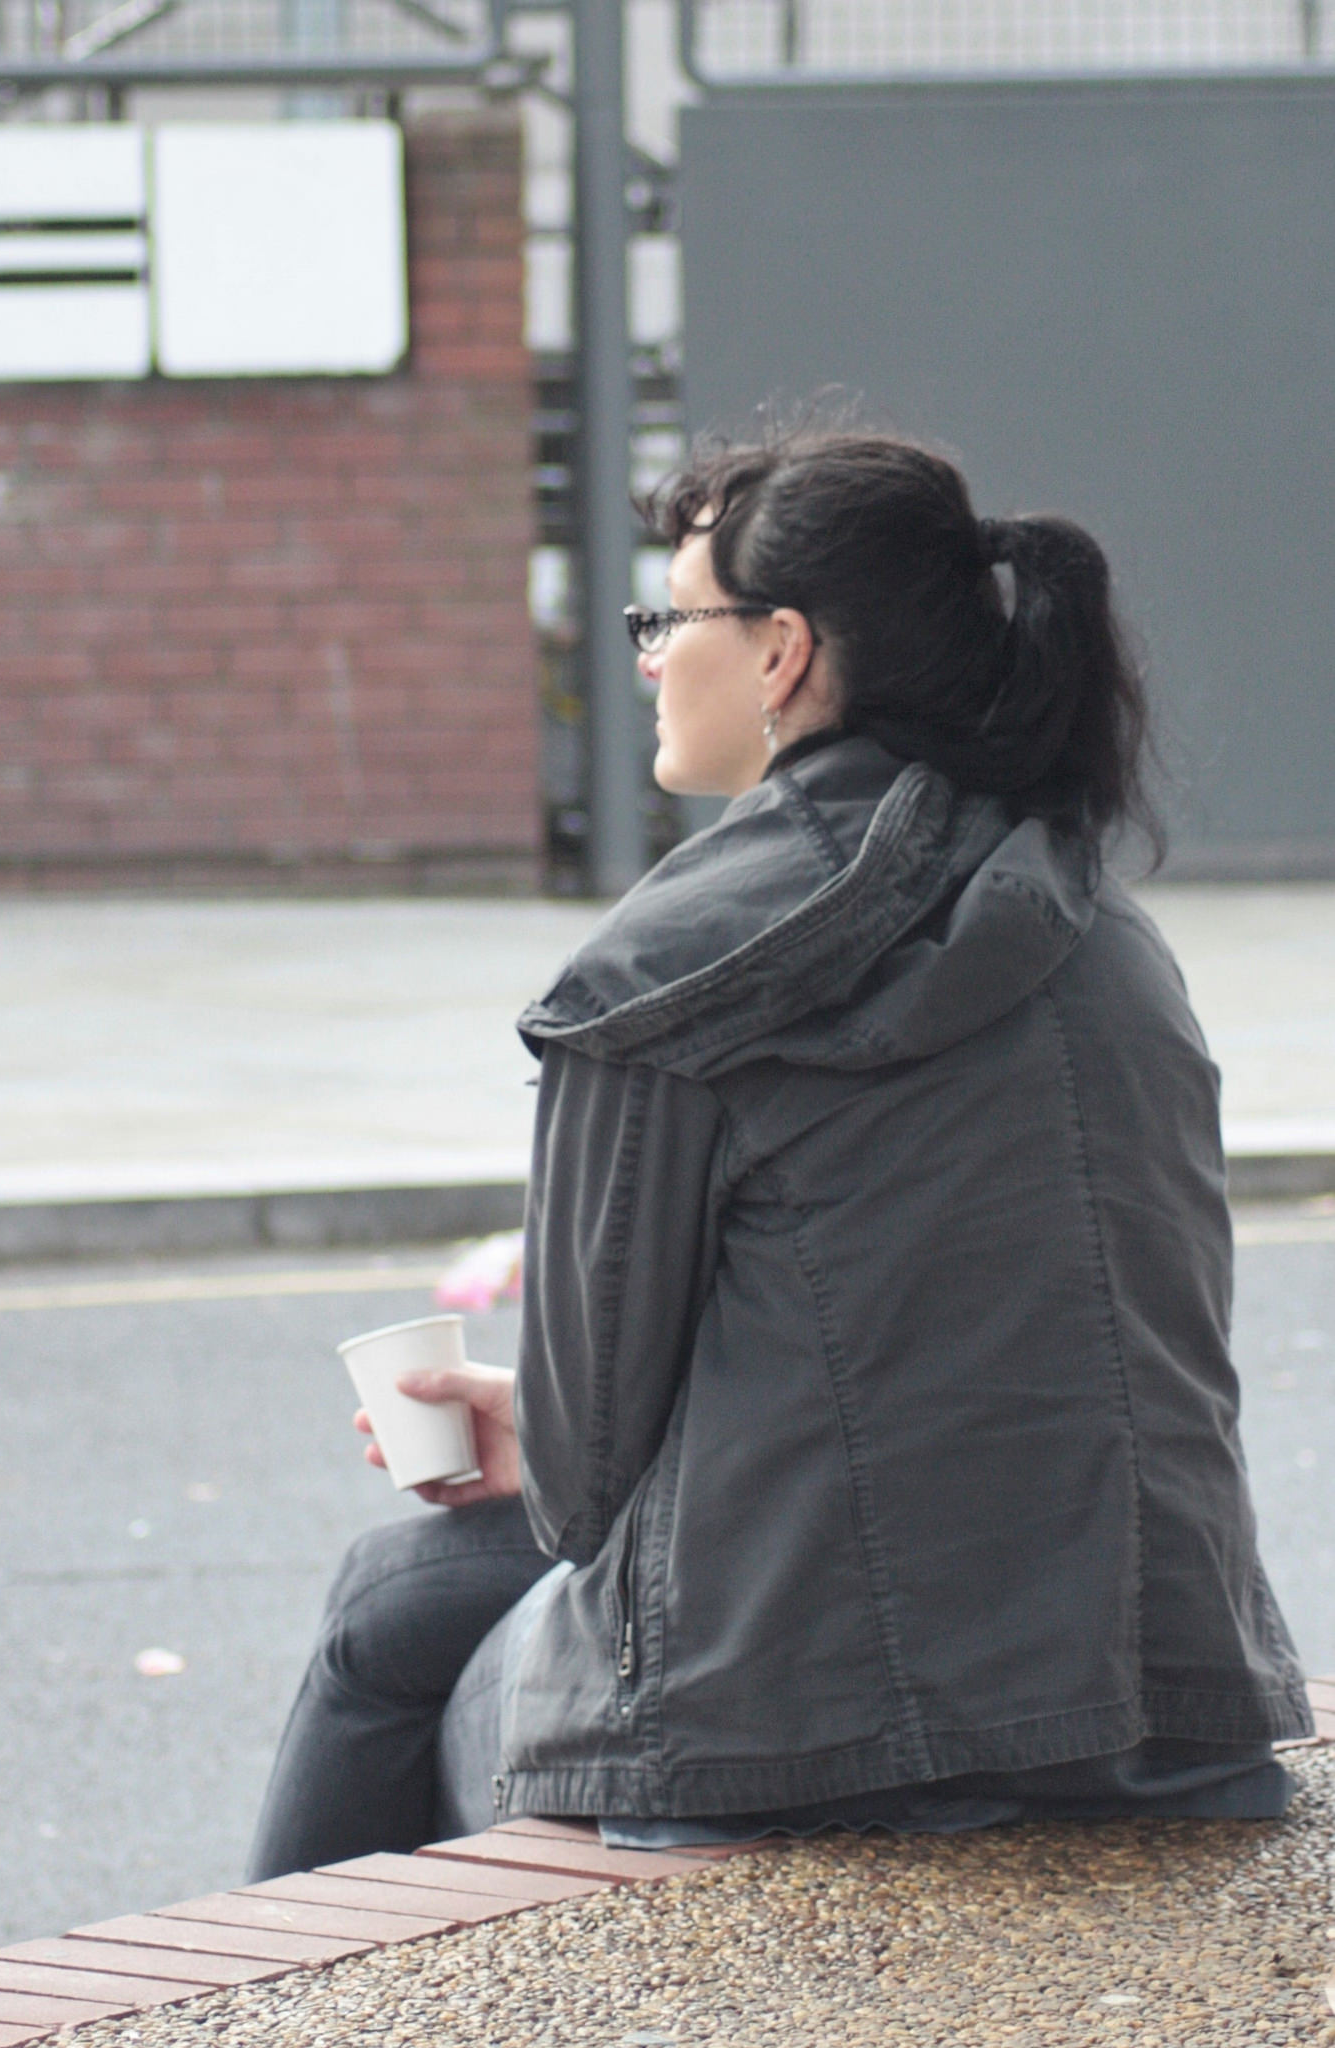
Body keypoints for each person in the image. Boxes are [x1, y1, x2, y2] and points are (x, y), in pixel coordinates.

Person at [246, 424, 1312, 1881]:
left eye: (669, 618)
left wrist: (540, 1420)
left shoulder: (676, 967)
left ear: (782, 653)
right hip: (1159, 1688)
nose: (644, 654)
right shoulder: (1096, 925)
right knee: (432, 1594)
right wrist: (547, 1410)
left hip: (796, 1726)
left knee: (390, 1608)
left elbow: (580, 1485)